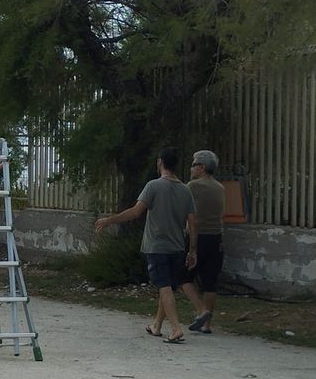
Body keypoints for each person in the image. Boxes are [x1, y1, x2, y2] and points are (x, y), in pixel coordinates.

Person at [95, 147, 198, 344]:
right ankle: (156, 325)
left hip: (157, 246)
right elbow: (193, 222)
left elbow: (135, 212)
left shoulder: (153, 186)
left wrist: (109, 220)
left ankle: (176, 328)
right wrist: (193, 250)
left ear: (160, 162)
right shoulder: (186, 190)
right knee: (166, 285)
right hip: (177, 247)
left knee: (164, 287)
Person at [181, 150, 225, 334]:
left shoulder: (193, 186)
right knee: (210, 282)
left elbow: (185, 211)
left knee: (183, 277)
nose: (191, 168)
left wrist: (192, 247)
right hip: (216, 237)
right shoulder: (220, 188)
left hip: (197, 236)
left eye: (194, 165)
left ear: (202, 167)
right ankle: (207, 325)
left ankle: (201, 310)